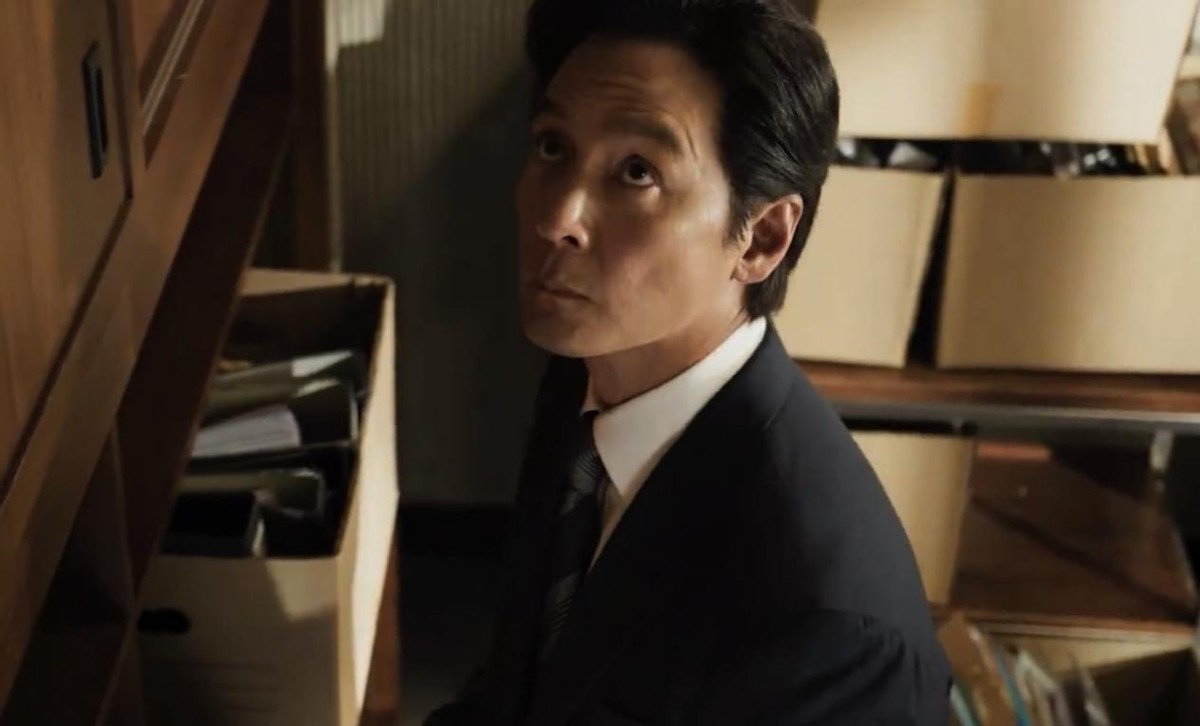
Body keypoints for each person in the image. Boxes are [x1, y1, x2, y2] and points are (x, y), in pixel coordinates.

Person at [428, 0, 950, 723]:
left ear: (761, 238)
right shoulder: (588, 375)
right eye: (552, 146)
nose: (555, 218)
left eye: (636, 172)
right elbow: (518, 687)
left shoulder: (834, 630)